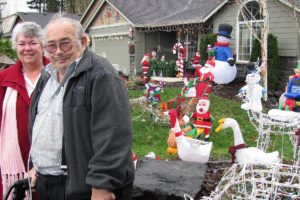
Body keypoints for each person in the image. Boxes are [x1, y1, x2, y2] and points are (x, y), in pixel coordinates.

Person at [28, 15, 134, 200]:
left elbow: (114, 134)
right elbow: (41, 124)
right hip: (48, 183)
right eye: (51, 46)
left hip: (83, 187)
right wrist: (37, 167)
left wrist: (102, 184)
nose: (58, 51)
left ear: (83, 42)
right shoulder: (46, 76)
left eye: (65, 43)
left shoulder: (101, 75)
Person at [0, 22, 49, 198]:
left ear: (42, 45)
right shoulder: (3, 79)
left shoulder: (57, 75)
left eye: (33, 43)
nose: (27, 48)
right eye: (22, 44)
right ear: (15, 47)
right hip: (13, 163)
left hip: (53, 164)